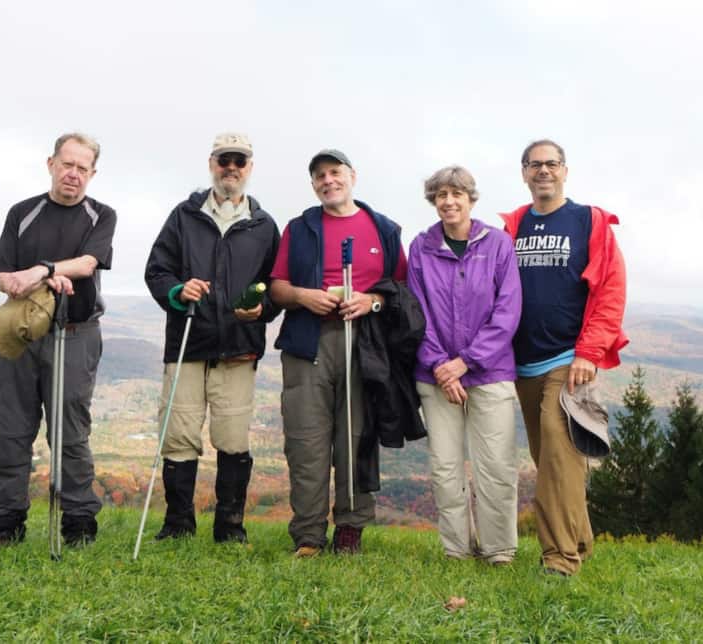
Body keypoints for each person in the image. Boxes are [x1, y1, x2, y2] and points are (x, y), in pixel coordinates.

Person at [269, 149, 410, 556]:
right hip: (307, 343)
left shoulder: (384, 229)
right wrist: (302, 296)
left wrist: (372, 302)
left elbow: (400, 290)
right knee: (306, 441)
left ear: (352, 176)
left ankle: (350, 528)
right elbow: (277, 287)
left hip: (365, 344)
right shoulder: (299, 229)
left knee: (357, 437)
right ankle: (309, 535)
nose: (328, 180)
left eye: (335, 172)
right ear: (313, 185)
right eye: (320, 176)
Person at [500, 139, 628, 577]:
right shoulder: (513, 226)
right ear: (524, 173)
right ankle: (581, 540)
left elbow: (610, 291)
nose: (543, 171)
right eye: (534, 164)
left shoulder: (588, 221)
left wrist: (589, 352)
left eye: (551, 163)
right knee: (553, 460)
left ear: (565, 171)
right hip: (522, 364)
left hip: (568, 360)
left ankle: (560, 559)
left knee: (558, 454)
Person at [144, 133, 280, 543]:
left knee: (233, 438)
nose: (231, 168)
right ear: (212, 164)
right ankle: (178, 525)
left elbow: (276, 286)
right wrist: (177, 290)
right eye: (224, 160)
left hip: (239, 348)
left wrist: (262, 309)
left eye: (239, 161)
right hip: (187, 343)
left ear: (250, 167)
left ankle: (230, 528)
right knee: (178, 436)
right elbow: (157, 271)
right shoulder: (183, 216)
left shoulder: (264, 226)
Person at [0, 133, 116, 549]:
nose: (74, 174)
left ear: (92, 173)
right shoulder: (22, 213)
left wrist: (43, 270)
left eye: (83, 168)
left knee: (70, 432)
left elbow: (88, 263)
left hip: (75, 333)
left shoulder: (101, 215)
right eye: (67, 164)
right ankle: (7, 524)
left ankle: (78, 524)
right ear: (51, 164)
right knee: (12, 428)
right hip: (21, 332)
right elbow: (2, 274)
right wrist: (18, 281)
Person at [407, 166, 522, 565]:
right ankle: (456, 549)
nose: (448, 201)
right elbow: (417, 313)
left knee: (496, 466)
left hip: (490, 373)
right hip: (436, 376)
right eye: (441, 194)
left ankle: (498, 550)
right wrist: (442, 366)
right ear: (433, 201)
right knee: (445, 468)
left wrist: (466, 363)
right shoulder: (421, 247)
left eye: (456, 193)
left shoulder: (498, 245)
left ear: (471, 199)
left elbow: (507, 311)